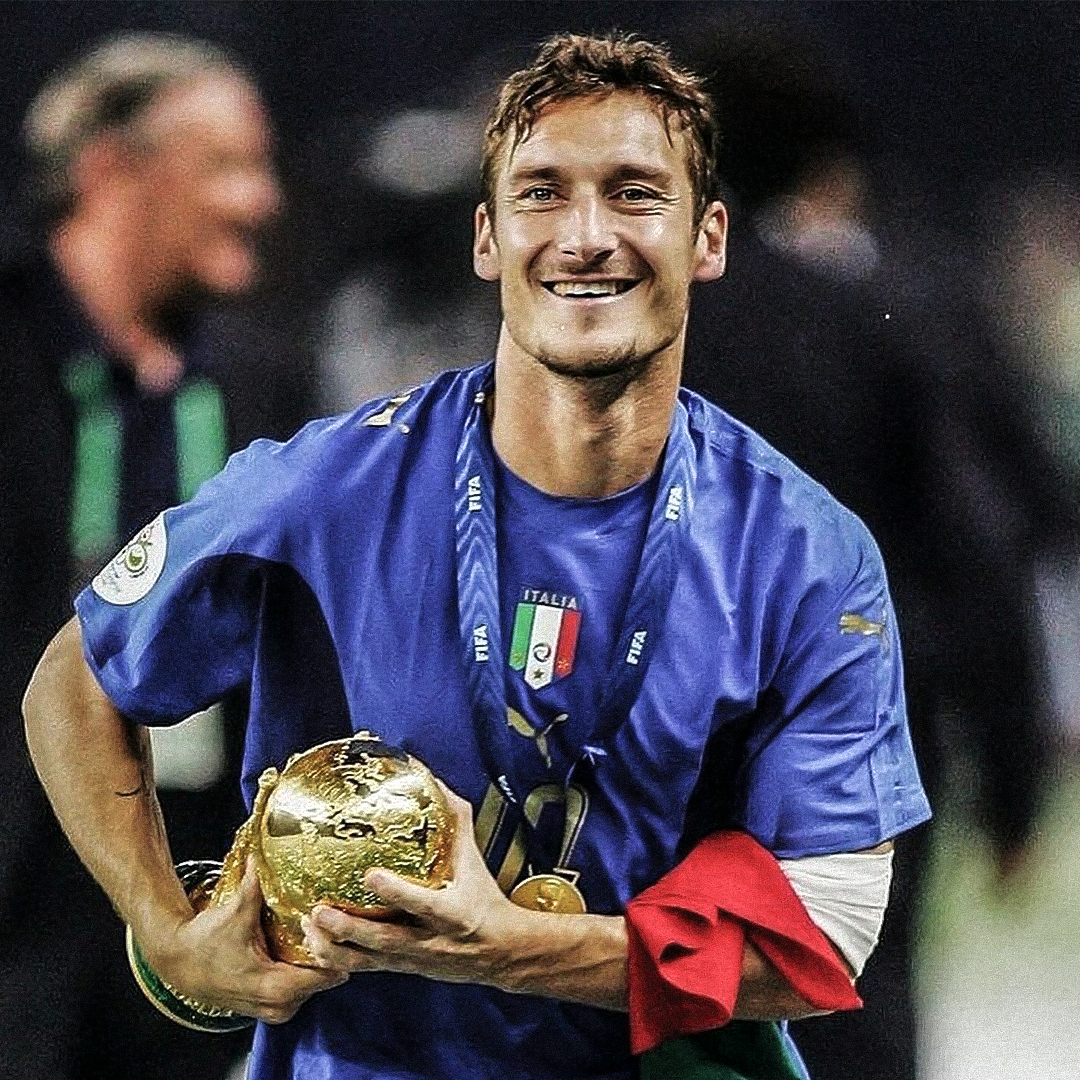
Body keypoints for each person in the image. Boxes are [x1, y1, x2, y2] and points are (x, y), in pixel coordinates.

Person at [23, 33, 930, 1080]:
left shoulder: (805, 553)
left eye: (635, 194)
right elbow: (75, 681)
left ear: (709, 236)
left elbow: (822, 929)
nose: (585, 237)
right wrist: (170, 933)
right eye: (542, 194)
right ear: (488, 239)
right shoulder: (327, 489)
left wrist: (512, 949)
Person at [0, 31, 307, 1080]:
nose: (260, 201)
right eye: (226, 166)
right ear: (108, 170)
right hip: (18, 886)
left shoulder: (265, 384)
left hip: (194, 879)